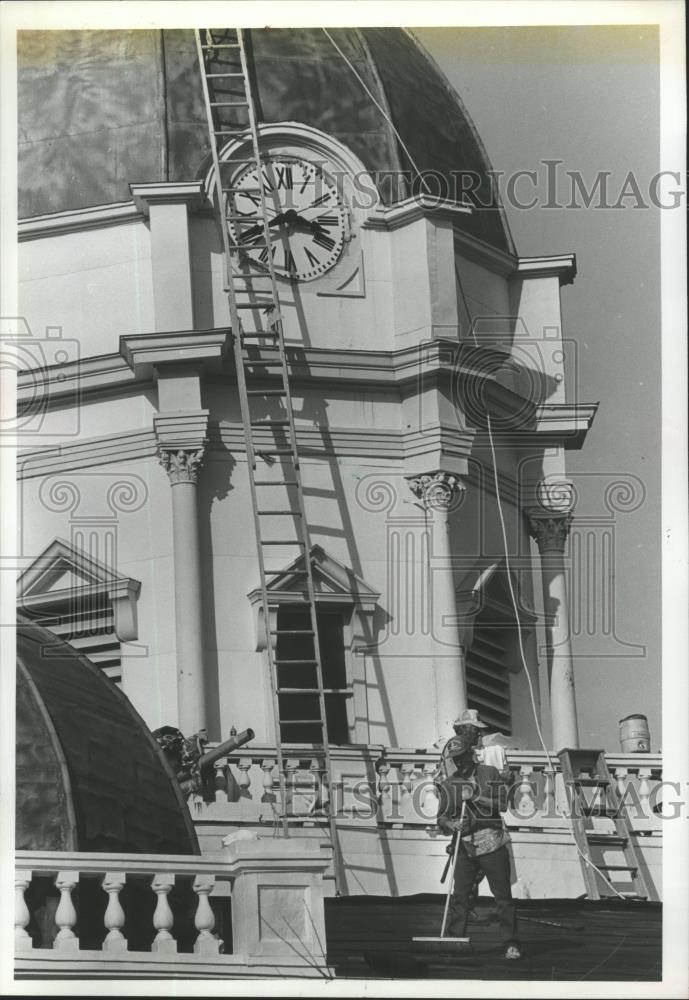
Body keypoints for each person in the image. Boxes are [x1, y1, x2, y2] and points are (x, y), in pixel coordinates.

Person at [436, 732, 521, 960]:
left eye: (462, 757)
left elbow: (503, 805)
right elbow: (441, 819)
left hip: (492, 842)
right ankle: (455, 942)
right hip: (464, 846)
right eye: (455, 759)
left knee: (502, 895)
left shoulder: (489, 773)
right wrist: (452, 824)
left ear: (471, 755)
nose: (459, 762)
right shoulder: (448, 783)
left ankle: (510, 943)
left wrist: (475, 797)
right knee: (460, 896)